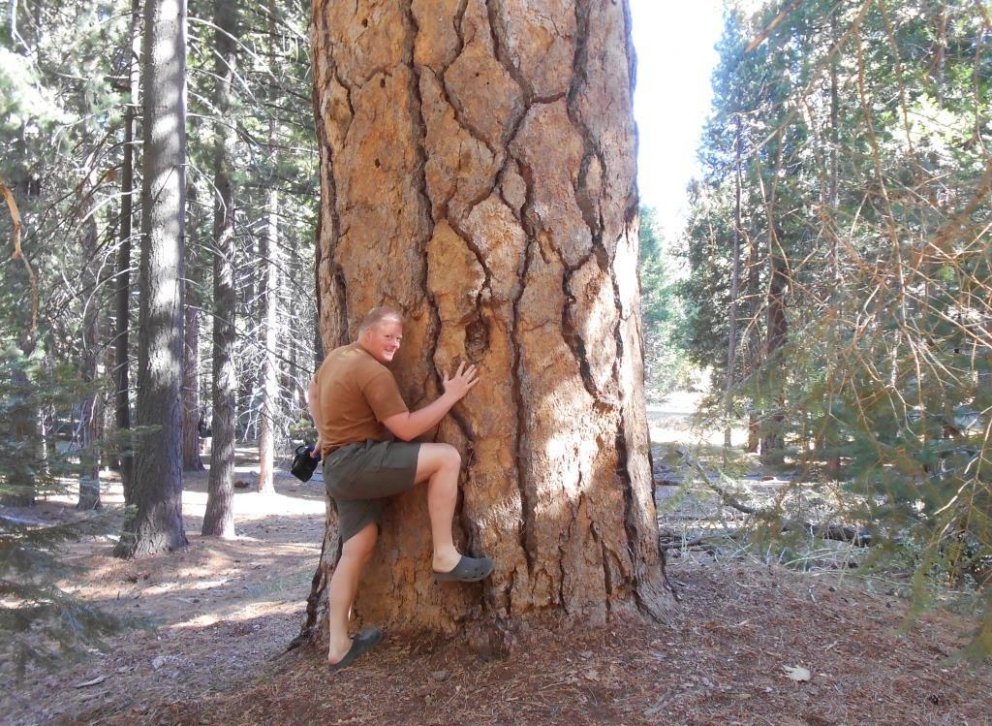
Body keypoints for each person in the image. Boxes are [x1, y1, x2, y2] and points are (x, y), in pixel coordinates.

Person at [307, 306, 493, 670]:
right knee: (446, 458)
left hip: (336, 467)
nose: (395, 342)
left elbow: (313, 394)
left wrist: (324, 433)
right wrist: (451, 395)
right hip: (358, 461)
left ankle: (338, 644)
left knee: (358, 545)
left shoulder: (336, 357)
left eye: (400, 337)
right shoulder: (372, 372)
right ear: (367, 332)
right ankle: (444, 554)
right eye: (388, 335)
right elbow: (407, 429)